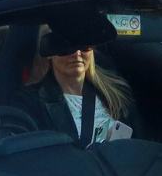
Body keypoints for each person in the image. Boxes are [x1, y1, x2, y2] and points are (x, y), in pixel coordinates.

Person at [20, 11, 132, 145]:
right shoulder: (31, 103)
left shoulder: (116, 92)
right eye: (65, 45)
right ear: (48, 50)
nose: (77, 53)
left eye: (84, 45)